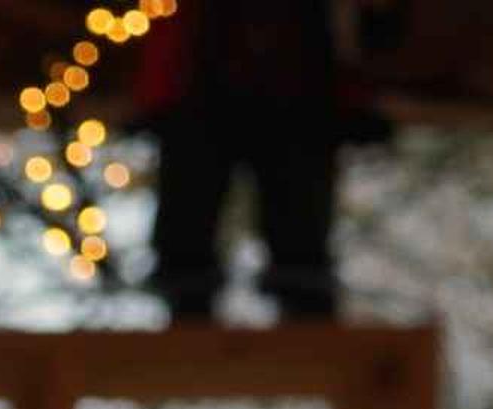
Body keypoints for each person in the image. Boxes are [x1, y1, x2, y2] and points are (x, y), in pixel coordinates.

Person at [129, 0, 375, 321]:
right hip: (212, 100)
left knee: (299, 239)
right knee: (191, 234)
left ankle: (302, 311)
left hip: (290, 101)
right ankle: (191, 313)